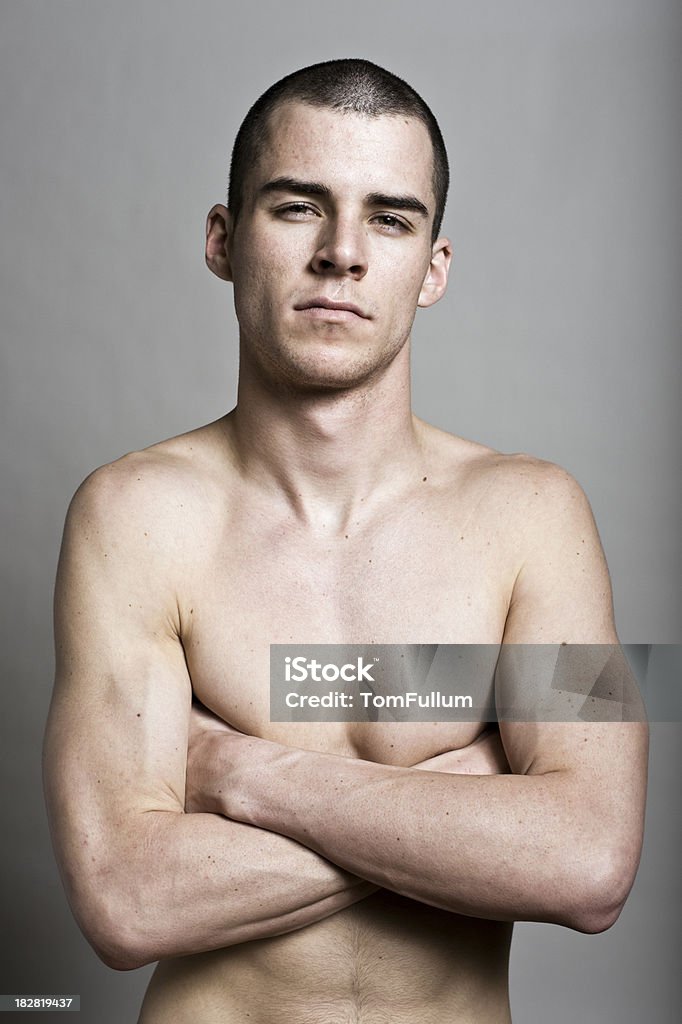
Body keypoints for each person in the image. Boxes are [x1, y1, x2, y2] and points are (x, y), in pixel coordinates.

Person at [43, 59, 648, 1023]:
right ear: (222, 238)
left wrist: (245, 773)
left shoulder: (539, 515)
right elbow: (125, 899)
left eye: (391, 218)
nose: (343, 253)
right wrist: (471, 800)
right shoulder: (130, 515)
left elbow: (590, 863)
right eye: (296, 206)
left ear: (433, 267)